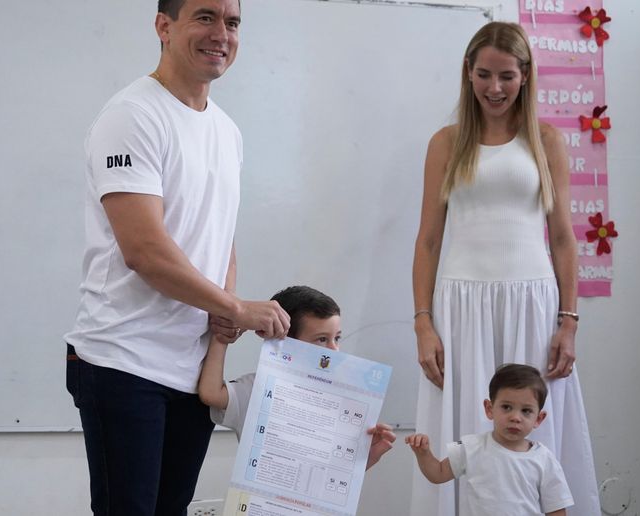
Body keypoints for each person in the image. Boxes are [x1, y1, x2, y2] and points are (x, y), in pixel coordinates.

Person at [64, 1, 292, 515]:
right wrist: (236, 309)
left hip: (190, 373)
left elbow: (219, 238)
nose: (222, 34)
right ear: (164, 27)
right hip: (123, 362)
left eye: (232, 23)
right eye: (205, 17)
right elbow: (145, 251)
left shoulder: (227, 131)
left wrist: (222, 316)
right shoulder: (132, 116)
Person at [410, 21, 599, 516]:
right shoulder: (446, 143)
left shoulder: (547, 141)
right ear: (468, 75)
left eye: (507, 76)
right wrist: (423, 322)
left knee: (529, 428)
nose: (495, 88)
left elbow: (562, 237)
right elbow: (428, 240)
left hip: (533, 303)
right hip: (460, 304)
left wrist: (570, 320)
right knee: (465, 431)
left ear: (526, 76)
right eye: (484, 75)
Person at [198, 285, 396, 470]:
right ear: (285, 341)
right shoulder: (258, 388)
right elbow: (211, 393)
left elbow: (331, 475)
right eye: (322, 339)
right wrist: (222, 334)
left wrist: (369, 456)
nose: (334, 350)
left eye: (337, 338)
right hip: (259, 505)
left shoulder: (342, 403)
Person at [407, 364, 573, 516]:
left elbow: (556, 508)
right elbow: (438, 474)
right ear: (489, 408)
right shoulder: (470, 446)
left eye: (526, 411)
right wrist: (423, 453)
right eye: (506, 407)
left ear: (539, 418)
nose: (515, 417)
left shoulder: (544, 459)